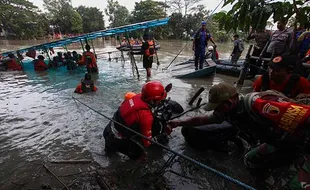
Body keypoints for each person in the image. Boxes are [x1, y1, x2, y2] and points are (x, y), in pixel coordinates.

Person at [167, 82, 310, 188]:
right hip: (282, 142)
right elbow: (203, 119)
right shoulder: (228, 112)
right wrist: (179, 123)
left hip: (304, 144)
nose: (215, 112)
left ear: (228, 103)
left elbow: (305, 115)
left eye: (217, 108)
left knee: (296, 186)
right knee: (251, 160)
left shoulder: (256, 104)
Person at [103, 81, 169, 160]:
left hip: (108, 130)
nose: (160, 102)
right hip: (116, 140)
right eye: (159, 100)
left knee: (108, 156)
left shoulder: (137, 96)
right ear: (152, 101)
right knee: (142, 156)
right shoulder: (146, 116)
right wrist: (163, 135)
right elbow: (147, 143)